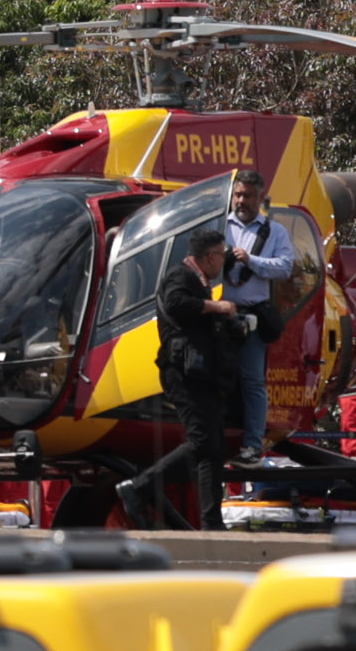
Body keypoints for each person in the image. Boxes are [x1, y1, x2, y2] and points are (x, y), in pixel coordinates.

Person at [120, 227, 248, 530]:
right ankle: (138, 487)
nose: (223, 263)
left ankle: (211, 521)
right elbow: (177, 303)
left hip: (203, 375)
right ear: (210, 256)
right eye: (221, 256)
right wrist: (216, 306)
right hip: (183, 374)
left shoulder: (200, 280)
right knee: (202, 440)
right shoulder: (180, 277)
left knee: (214, 447)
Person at [220, 170, 295, 474]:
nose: (241, 201)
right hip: (220, 313)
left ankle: (252, 445)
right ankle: (214, 438)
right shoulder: (220, 225)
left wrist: (251, 260)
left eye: (248, 195)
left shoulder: (274, 231)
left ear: (260, 197)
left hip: (252, 315)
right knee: (214, 378)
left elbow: (285, 267)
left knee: (252, 381)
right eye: (238, 195)